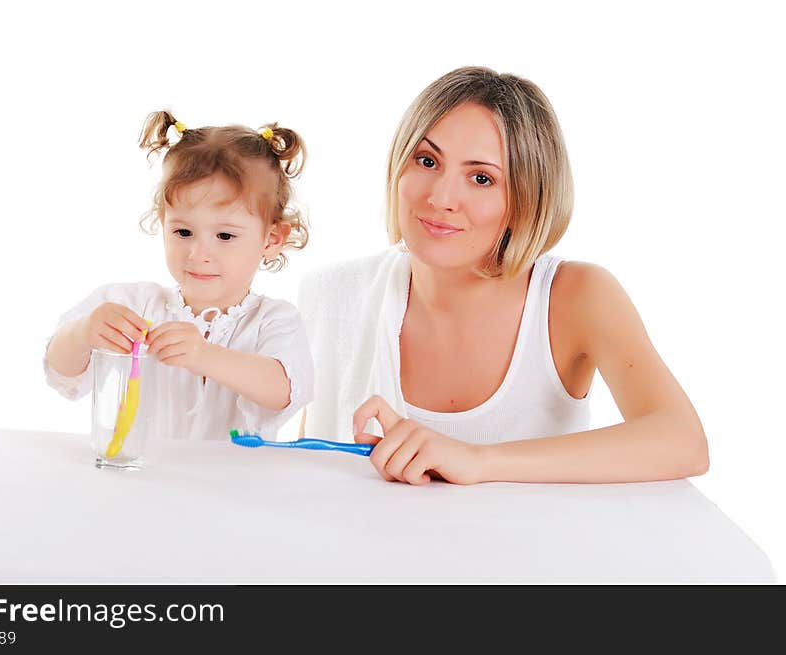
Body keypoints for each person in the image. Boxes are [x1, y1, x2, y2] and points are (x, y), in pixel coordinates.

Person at [298, 66, 708, 485]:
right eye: (427, 160)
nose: (440, 198)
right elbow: (311, 477)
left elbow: (683, 441)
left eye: (481, 178)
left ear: (527, 197)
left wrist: (479, 461)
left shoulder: (577, 296)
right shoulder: (334, 296)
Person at [45, 111, 313, 440]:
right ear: (163, 222)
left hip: (235, 488)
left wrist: (205, 355)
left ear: (271, 239)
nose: (198, 254)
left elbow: (286, 390)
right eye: (183, 231)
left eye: (225, 236)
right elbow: (60, 368)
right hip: (143, 481)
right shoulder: (134, 305)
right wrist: (84, 333)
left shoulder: (273, 319)